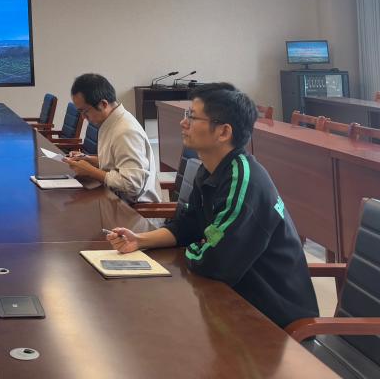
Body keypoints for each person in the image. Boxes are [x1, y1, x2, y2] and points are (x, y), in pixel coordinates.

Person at [106, 83, 318, 329]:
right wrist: (140, 240)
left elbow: (215, 262)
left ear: (224, 132)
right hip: (233, 301)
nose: (183, 123)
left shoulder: (243, 181)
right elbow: (188, 225)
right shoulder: (210, 169)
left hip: (273, 319)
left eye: (192, 117)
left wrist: (196, 247)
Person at [61, 73, 161, 203]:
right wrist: (88, 159)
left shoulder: (125, 131)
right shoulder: (111, 122)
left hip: (134, 209)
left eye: (85, 111)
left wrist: (91, 171)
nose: (83, 117)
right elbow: (117, 163)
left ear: (103, 104)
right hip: (115, 200)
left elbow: (132, 185)